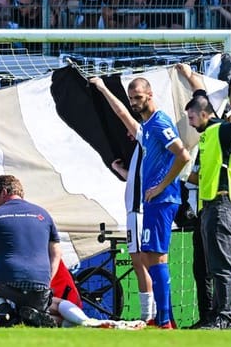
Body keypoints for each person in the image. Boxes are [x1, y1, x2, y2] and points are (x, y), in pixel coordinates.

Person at [89, 76, 191, 328]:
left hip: (162, 200)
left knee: (154, 258)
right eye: (131, 99)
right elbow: (123, 114)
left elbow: (183, 155)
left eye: (137, 97)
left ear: (150, 94)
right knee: (154, 258)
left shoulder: (159, 123)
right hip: (155, 201)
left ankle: (164, 320)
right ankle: (163, 318)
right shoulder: (147, 128)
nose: (134, 103)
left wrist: (161, 186)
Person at [178, 64, 231, 330]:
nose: (190, 123)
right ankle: (208, 316)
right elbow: (200, 93)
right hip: (206, 207)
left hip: (222, 204)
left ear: (205, 115)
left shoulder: (223, 130)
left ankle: (224, 318)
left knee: (220, 265)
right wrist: (188, 75)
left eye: (192, 118)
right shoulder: (208, 132)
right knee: (203, 267)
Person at [0, 174, 61, 328]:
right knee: (30, 317)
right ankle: (30, 313)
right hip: (41, 287)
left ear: (4, 192)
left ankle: (6, 313)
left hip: (8, 283)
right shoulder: (44, 214)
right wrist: (47, 280)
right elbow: (56, 253)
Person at [110, 142, 156, 324]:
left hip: (138, 211)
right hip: (134, 211)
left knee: (141, 262)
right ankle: (153, 315)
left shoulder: (146, 142)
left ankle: (149, 316)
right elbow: (137, 179)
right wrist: (120, 171)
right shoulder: (139, 151)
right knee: (141, 262)